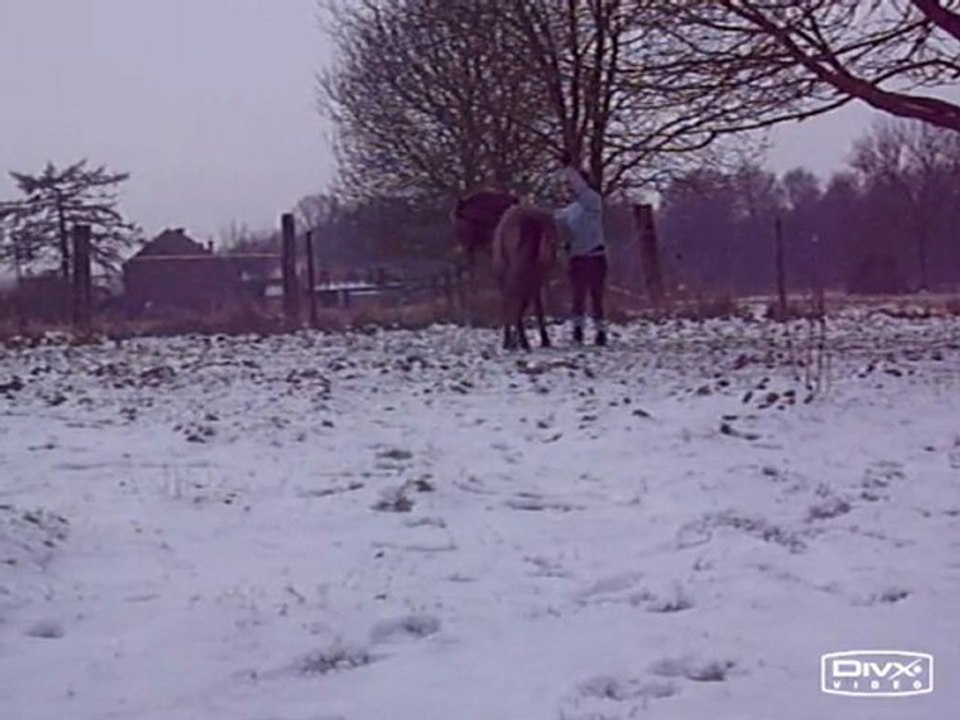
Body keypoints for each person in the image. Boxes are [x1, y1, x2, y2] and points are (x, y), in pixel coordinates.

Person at [554, 154, 608, 346]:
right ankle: (578, 332)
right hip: (577, 258)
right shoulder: (571, 210)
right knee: (577, 296)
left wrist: (569, 169)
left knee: (596, 296)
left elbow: (581, 187)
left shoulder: (593, 200)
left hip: (595, 256)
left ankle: (600, 332)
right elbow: (553, 219)